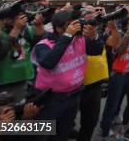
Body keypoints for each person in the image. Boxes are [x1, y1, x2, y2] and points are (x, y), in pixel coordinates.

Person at [30, 10, 104, 141]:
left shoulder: (79, 39)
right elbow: (48, 63)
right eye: (70, 24)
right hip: (51, 100)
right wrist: (67, 36)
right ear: (58, 28)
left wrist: (93, 37)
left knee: (63, 133)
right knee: (41, 135)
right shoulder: (44, 44)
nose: (75, 27)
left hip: (73, 96)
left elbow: (97, 50)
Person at [77, 7, 110, 141]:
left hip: (94, 83)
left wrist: (93, 36)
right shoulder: (71, 33)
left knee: (90, 121)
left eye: (96, 15)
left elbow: (98, 48)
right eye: (91, 14)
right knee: (63, 123)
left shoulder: (97, 34)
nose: (95, 16)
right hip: (74, 84)